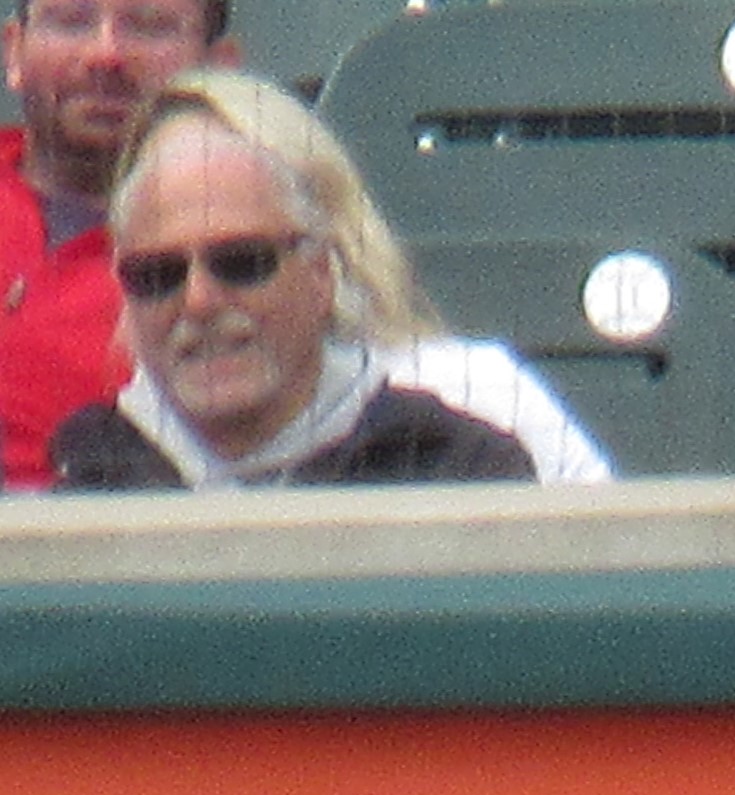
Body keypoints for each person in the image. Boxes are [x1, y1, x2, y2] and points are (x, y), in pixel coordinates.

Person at [49, 73, 543, 486]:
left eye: (242, 262)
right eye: (159, 274)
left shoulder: (460, 471)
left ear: (320, 275)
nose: (198, 301)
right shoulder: (88, 485)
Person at [0, 0, 239, 487]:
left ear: (220, 70)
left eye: (149, 27)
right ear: (14, 51)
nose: (106, 54)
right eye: (71, 22)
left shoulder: (253, 256)